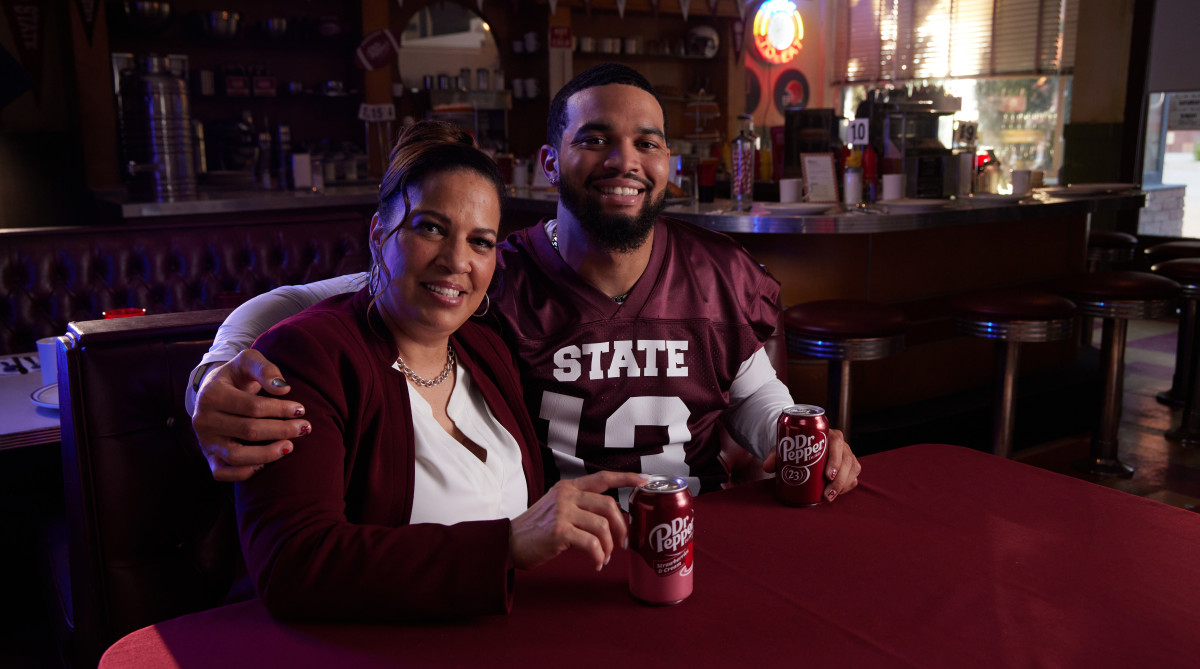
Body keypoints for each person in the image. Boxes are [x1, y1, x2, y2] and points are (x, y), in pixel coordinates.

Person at [189, 64, 860, 503]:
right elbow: (297, 301)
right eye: (595, 138)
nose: (624, 159)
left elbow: (757, 398)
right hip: (550, 554)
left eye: (647, 142)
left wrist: (799, 440)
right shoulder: (489, 271)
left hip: (697, 535)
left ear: (669, 167)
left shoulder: (719, 270)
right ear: (548, 163)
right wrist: (216, 371)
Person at [233, 120, 645, 622]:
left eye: (481, 242)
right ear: (379, 231)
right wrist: (506, 547)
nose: (456, 261)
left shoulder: (486, 346)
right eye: (431, 228)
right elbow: (292, 565)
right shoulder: (309, 356)